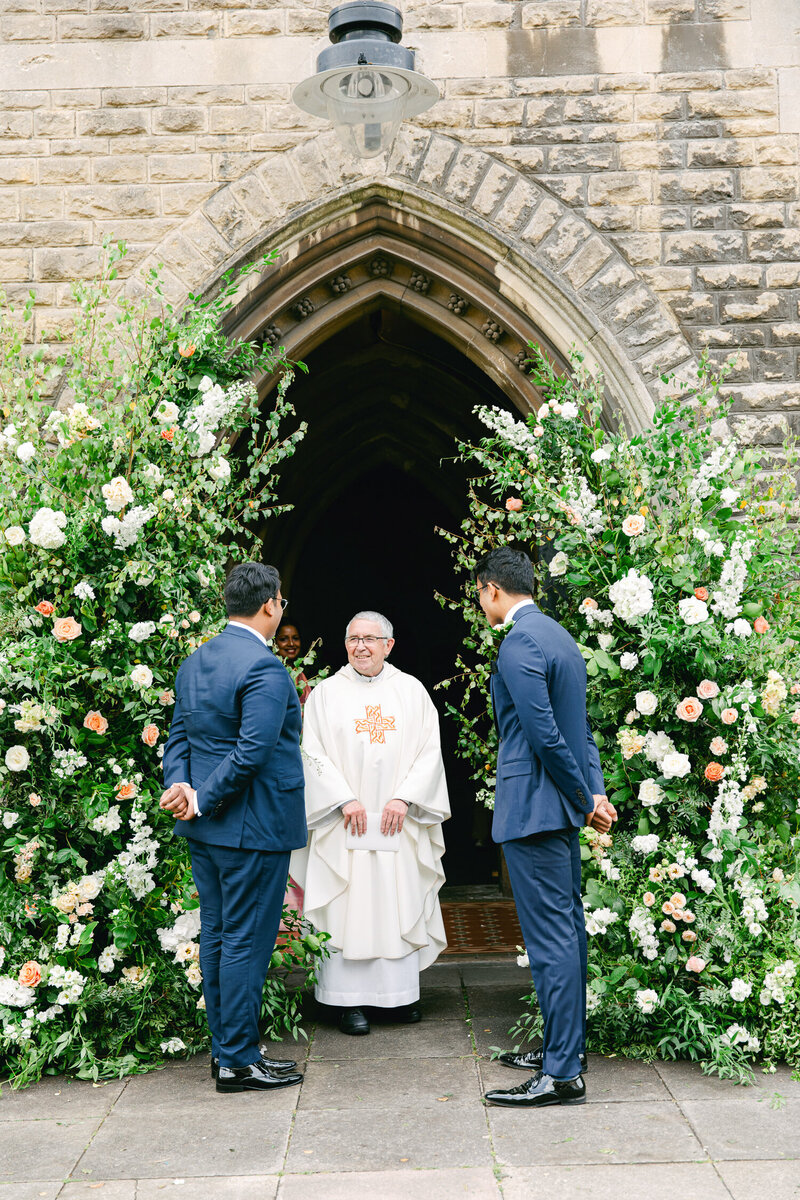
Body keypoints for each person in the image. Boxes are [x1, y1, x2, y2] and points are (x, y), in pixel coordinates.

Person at [472, 548, 616, 1110]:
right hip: (557, 807)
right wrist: (594, 791)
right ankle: (565, 1050)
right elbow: (580, 729)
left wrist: (584, 799)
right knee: (569, 932)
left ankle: (561, 1075)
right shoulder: (559, 637)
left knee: (551, 940)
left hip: (534, 810)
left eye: (480, 594)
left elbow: (545, 734)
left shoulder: (518, 642)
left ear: (491, 590)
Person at [159, 561, 307, 1094]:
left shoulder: (196, 661)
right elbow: (253, 752)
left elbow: (178, 737)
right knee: (244, 941)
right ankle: (239, 1059)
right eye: (281, 604)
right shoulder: (265, 670)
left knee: (220, 937)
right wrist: (197, 799)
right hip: (253, 826)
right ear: (269, 605)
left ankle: (228, 1052)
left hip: (209, 833)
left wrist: (180, 786)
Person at [290, 610, 450, 1035]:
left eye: (370, 639)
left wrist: (404, 797)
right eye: (353, 639)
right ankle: (347, 1002)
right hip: (345, 822)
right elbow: (312, 753)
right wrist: (342, 798)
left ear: (388, 645)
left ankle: (397, 997)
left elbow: (429, 752)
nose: (360, 646)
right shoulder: (325, 694)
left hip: (399, 821)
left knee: (396, 901)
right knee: (349, 903)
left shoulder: (411, 692)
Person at [274, 622, 311, 706]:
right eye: (283, 639)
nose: (291, 643)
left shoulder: (300, 674)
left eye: (295, 638)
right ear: (274, 642)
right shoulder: (272, 672)